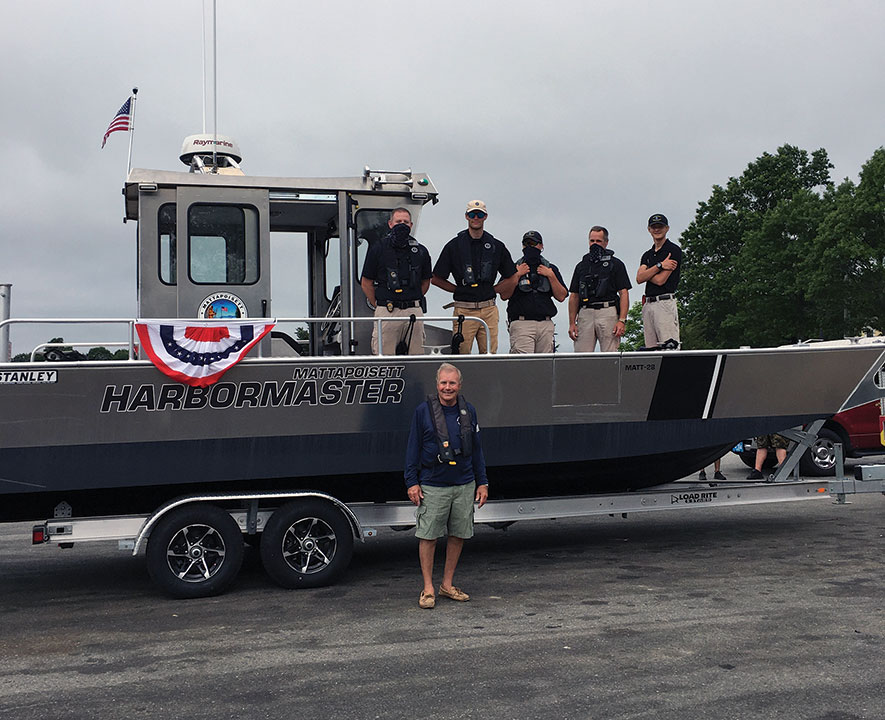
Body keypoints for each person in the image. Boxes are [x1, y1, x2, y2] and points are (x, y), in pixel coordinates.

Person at [404, 362, 489, 609]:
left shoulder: (468, 411)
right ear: (437, 385)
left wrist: (482, 481)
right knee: (428, 536)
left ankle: (447, 585)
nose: (448, 387)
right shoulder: (423, 412)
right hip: (433, 484)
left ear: (459, 385)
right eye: (443, 383)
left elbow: (477, 450)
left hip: (464, 484)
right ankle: (428, 588)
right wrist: (412, 482)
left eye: (452, 383)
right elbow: (413, 448)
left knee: (458, 535)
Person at [431, 200, 517, 354]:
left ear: (485, 217)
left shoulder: (497, 246)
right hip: (464, 310)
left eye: (479, 214)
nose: (476, 217)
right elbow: (436, 278)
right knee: (461, 355)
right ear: (466, 216)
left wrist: (494, 290)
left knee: (490, 355)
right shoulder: (453, 246)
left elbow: (512, 277)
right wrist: (458, 290)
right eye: (472, 214)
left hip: (489, 309)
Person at [360, 207, 432, 355]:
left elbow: (426, 282)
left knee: (417, 357)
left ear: (411, 225)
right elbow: (366, 282)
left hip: (414, 311)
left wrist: (413, 299)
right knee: (384, 358)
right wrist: (380, 304)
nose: (402, 224)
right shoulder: (378, 249)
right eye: (398, 221)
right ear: (390, 224)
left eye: (405, 222)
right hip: (387, 311)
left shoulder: (421, 251)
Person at [501, 230, 568, 353]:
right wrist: (516, 275)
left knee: (544, 366)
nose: (529, 247)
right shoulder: (514, 267)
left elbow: (562, 296)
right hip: (522, 324)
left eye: (533, 243)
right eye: (526, 243)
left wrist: (551, 276)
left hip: (545, 323)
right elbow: (504, 295)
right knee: (524, 366)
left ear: (541, 246)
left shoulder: (550, 268)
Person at [568, 226, 632, 352]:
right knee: (581, 356)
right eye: (592, 241)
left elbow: (624, 293)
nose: (594, 244)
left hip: (608, 311)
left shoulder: (616, 264)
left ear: (606, 242)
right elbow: (574, 295)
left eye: (598, 241)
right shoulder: (582, 265)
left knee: (611, 355)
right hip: (585, 312)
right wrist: (571, 323)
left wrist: (622, 320)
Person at [636, 213, 682, 349]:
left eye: (660, 227)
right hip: (648, 304)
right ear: (649, 229)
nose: (657, 230)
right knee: (651, 350)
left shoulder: (673, 250)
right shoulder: (647, 254)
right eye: (654, 227)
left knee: (669, 347)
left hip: (664, 303)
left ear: (667, 228)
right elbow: (639, 278)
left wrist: (647, 272)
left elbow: (661, 280)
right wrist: (660, 266)